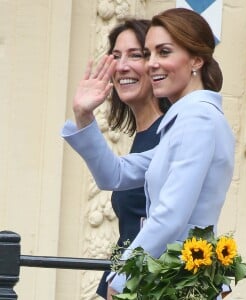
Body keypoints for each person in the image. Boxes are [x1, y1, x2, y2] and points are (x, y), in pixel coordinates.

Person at [61, 7, 235, 300]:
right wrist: (83, 115)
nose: (153, 63)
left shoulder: (198, 119)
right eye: (150, 53)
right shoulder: (186, 119)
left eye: (164, 52)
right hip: (169, 282)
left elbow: (171, 214)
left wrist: (123, 277)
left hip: (180, 284)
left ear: (196, 59)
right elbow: (114, 174)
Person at [64, 18, 170, 299]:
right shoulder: (145, 135)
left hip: (149, 285)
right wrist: (83, 115)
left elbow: (170, 224)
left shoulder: (173, 133)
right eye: (116, 56)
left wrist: (124, 280)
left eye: (136, 55)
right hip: (124, 283)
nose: (122, 66)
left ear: (158, 65)